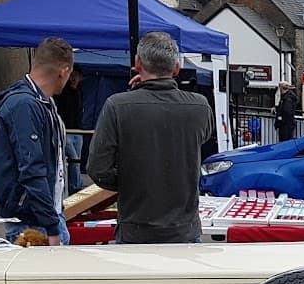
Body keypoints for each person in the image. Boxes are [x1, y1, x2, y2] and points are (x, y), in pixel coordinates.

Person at [86, 31, 215, 244]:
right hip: (184, 231)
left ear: (138, 63)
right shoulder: (199, 106)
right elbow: (200, 138)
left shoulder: (117, 106)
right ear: (176, 68)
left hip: (136, 230)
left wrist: (132, 182)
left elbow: (98, 170)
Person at [0, 35, 74, 245]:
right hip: (33, 221)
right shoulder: (25, 105)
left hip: (41, 216)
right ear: (63, 71)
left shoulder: (41, 103)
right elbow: (32, 169)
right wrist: (52, 226)